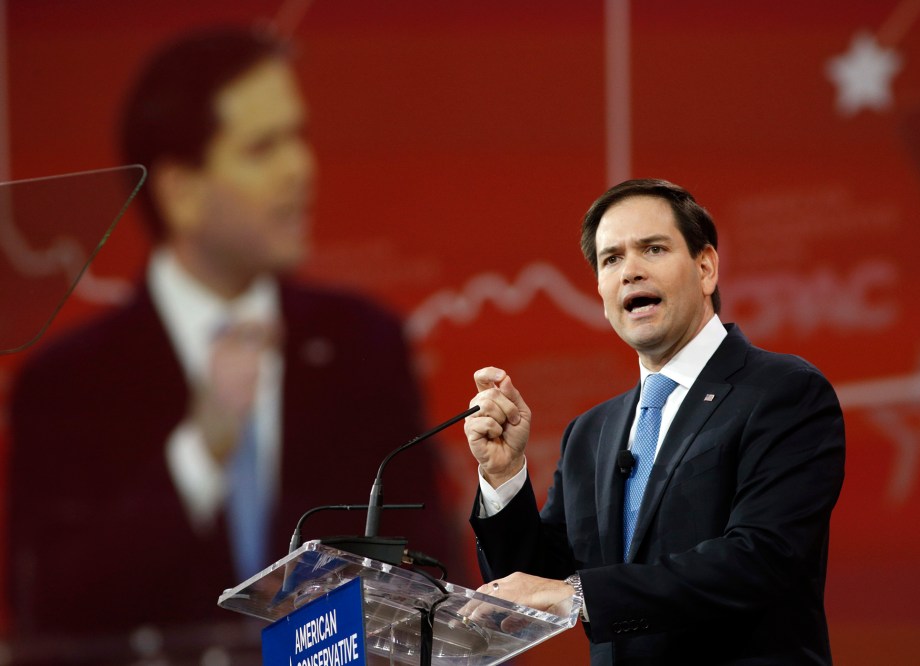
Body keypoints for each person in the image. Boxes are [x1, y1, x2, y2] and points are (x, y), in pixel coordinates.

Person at [7, 26, 451, 662]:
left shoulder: (364, 346)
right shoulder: (70, 382)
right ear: (181, 192)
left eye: (298, 137)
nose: (301, 167)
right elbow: (49, 608)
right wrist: (198, 456)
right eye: (263, 147)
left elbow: (429, 577)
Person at [464, 179, 846, 665]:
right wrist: (504, 476)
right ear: (600, 291)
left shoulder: (782, 391)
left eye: (653, 249)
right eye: (611, 259)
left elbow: (762, 559)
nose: (630, 272)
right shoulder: (591, 433)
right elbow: (535, 586)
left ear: (705, 267)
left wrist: (579, 596)